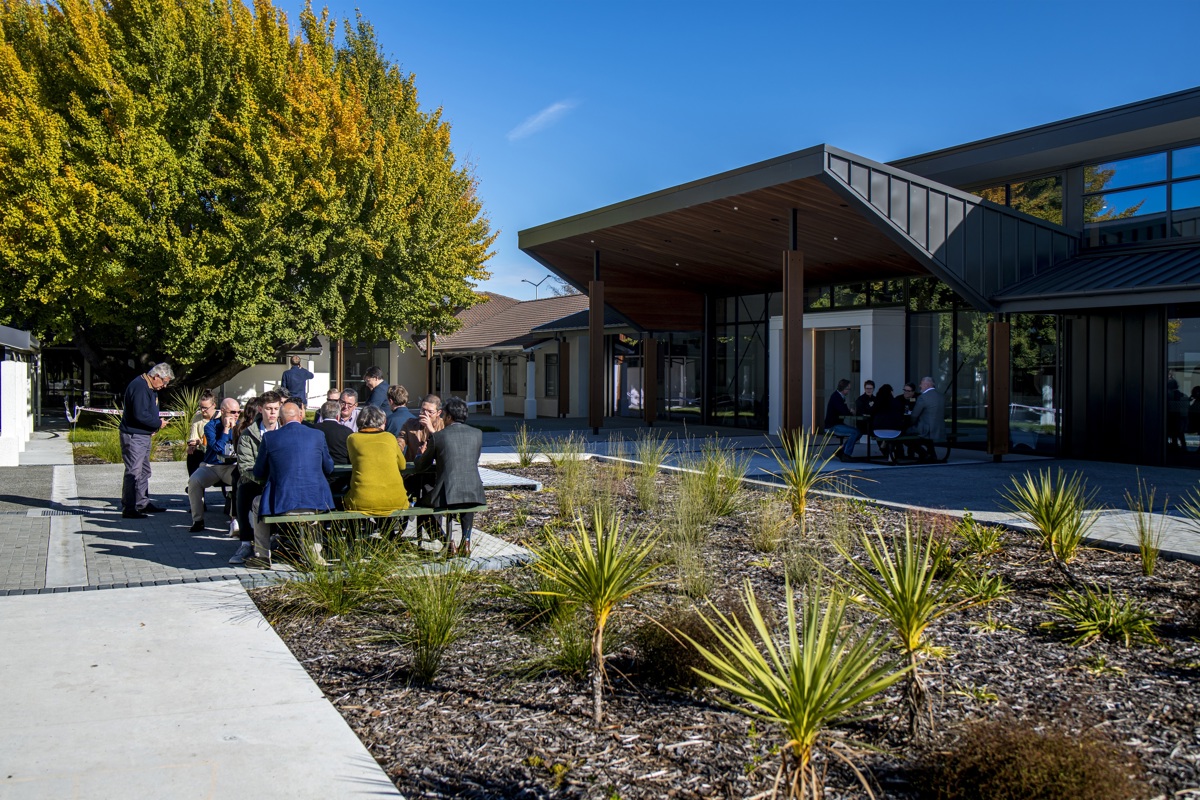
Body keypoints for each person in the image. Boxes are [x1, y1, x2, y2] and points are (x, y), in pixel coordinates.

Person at [246, 402, 334, 569]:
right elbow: (329, 467)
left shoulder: (270, 438)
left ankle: (262, 555)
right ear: (300, 417)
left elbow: (258, 472)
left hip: (282, 502)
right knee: (311, 511)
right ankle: (315, 556)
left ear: (280, 419)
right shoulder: (317, 435)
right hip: (317, 501)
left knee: (257, 502)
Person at [411, 396, 485, 558]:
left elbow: (421, 466)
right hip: (474, 490)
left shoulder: (440, 436)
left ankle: (447, 542)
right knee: (466, 504)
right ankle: (466, 541)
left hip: (447, 492)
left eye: (444, 415)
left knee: (421, 508)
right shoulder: (477, 434)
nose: (443, 418)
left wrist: (419, 455)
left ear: (449, 417)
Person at [229, 393, 280, 565]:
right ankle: (245, 543)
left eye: (275, 409)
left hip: (282, 482)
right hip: (257, 481)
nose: (272, 413)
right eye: (268, 409)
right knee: (242, 488)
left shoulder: (286, 430)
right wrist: (265, 478)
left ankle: (281, 539)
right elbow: (245, 467)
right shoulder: (248, 435)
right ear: (260, 409)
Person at [119, 362, 173, 519]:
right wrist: (158, 423)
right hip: (134, 436)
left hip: (142, 434)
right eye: (164, 382)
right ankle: (129, 507)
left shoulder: (149, 387)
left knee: (144, 471)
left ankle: (142, 503)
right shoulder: (140, 387)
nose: (164, 386)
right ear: (156, 376)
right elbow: (140, 414)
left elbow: (145, 413)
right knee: (133, 472)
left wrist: (153, 426)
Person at [343, 405, 409, 515]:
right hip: (396, 499)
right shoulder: (390, 437)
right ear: (383, 421)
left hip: (362, 500)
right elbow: (402, 465)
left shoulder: (353, 438)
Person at [187, 397, 241, 532]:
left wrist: (235, 431)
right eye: (233, 412)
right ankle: (198, 520)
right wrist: (226, 431)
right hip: (211, 466)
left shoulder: (240, 426)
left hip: (231, 466)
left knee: (240, 479)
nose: (236, 415)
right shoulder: (211, 426)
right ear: (223, 411)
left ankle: (236, 520)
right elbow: (219, 449)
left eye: (239, 412)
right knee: (194, 481)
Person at [907, 376, 946, 461]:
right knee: (926, 439)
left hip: (926, 429)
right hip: (938, 428)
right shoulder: (941, 396)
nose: (920, 386)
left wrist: (911, 424)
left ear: (927, 384)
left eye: (921, 384)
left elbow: (914, 415)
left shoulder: (923, 397)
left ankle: (924, 454)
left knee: (905, 434)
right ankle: (932, 454)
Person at [822, 378, 859, 462]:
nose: (848, 391)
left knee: (858, 432)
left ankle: (841, 451)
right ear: (843, 389)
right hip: (832, 426)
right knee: (855, 432)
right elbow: (843, 411)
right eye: (848, 389)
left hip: (835, 424)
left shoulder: (838, 396)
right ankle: (846, 454)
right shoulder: (836, 397)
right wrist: (851, 411)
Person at [185, 390, 217, 476]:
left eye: (205, 408)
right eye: (201, 407)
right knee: (192, 454)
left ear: (213, 405)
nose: (203, 410)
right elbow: (194, 435)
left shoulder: (220, 417)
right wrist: (192, 445)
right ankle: (193, 482)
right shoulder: (197, 418)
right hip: (202, 449)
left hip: (214, 450)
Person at [871, 384, 904, 460]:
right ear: (891, 392)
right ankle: (892, 452)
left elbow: (872, 414)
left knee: (886, 431)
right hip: (894, 430)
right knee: (895, 431)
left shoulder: (877, 403)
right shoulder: (897, 402)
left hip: (878, 430)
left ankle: (885, 446)